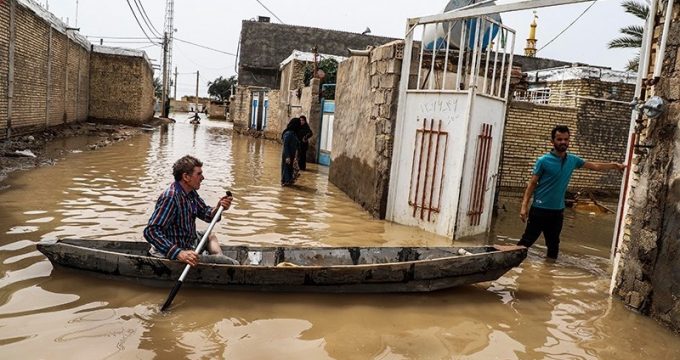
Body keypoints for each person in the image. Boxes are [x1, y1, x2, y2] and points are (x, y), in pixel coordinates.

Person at [518, 125, 626, 260]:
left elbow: (595, 166)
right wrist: (524, 206)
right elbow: (532, 184)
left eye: (566, 139)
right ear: (552, 141)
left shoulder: (573, 160)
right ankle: (510, 263)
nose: (563, 142)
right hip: (539, 209)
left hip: (557, 212)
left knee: (553, 246)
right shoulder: (543, 161)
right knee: (526, 242)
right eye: (559, 139)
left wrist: (614, 165)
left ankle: (549, 273)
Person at [143, 155, 237, 266]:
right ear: (186, 177)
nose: (202, 178)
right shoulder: (171, 197)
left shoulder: (190, 193)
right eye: (199, 174)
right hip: (170, 252)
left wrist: (218, 208)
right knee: (232, 263)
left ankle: (219, 261)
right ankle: (223, 263)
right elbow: (151, 231)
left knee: (209, 235)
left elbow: (206, 214)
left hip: (188, 241)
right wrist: (179, 253)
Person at [281, 117, 301, 186]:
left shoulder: (294, 133)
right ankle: (285, 182)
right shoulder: (288, 133)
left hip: (292, 154)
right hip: (288, 154)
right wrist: (287, 157)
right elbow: (285, 145)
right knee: (286, 169)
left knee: (290, 169)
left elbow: (297, 144)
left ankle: (289, 181)